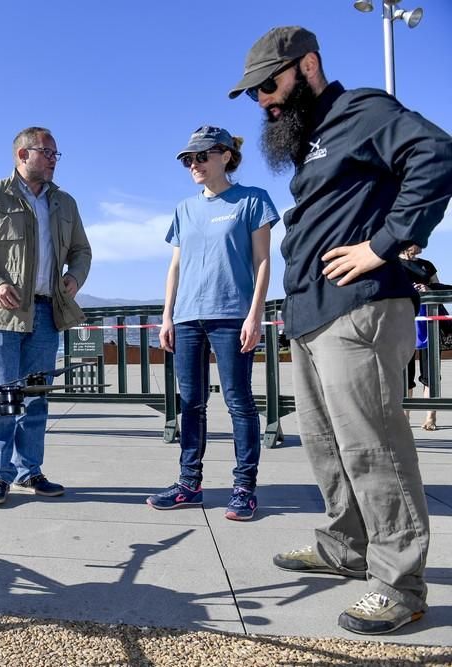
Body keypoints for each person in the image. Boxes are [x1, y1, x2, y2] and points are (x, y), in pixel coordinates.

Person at [229, 26, 452, 634]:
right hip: (311, 314)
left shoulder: (362, 110)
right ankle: (347, 546)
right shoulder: (314, 140)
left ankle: (399, 582)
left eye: (268, 87)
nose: (264, 103)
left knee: (372, 447)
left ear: (307, 66)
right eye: (254, 96)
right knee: (327, 447)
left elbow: (436, 154)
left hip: (359, 310)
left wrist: (383, 244)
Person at [0, 126, 92, 505]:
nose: (52, 159)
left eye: (55, 154)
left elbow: (81, 250)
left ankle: (30, 471)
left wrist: (74, 278)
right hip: (0, 316)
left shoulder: (65, 203)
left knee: (35, 399)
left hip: (47, 313)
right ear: (21, 155)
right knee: (1, 397)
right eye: (46, 152)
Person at [149, 126, 278, 521]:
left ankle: (244, 487)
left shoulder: (252, 200)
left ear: (225, 155)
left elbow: (262, 261)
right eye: (188, 159)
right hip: (187, 317)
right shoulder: (184, 209)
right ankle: (189, 483)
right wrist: (167, 315)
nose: (194, 165)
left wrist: (255, 314)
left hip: (232, 315)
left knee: (239, 401)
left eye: (201, 156)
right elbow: (175, 265)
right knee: (191, 403)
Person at [400, 245, 442, 431]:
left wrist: (428, 288)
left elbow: (439, 288)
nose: (422, 245)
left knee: (430, 374)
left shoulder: (427, 265)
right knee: (404, 373)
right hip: (402, 325)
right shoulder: (392, 263)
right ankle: (404, 417)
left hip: (428, 325)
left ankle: (430, 417)